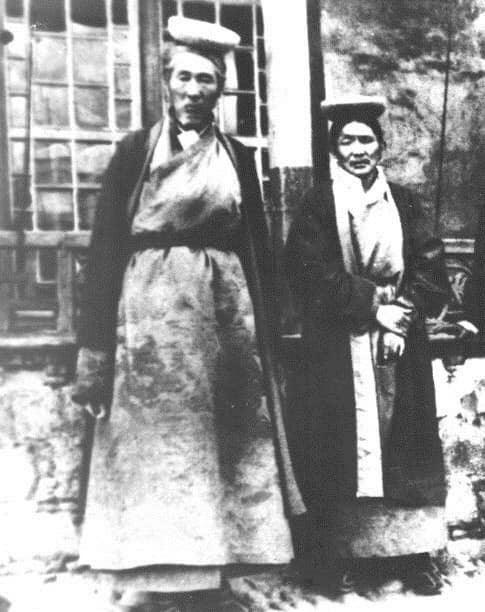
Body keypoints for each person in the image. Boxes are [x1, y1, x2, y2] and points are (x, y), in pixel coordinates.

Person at [72, 17, 303, 612]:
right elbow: (104, 247)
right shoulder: (134, 152)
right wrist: (94, 343)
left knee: (222, 444)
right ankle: (157, 580)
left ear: (220, 89)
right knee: (156, 446)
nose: (194, 90)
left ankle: (211, 577)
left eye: (206, 80)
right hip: (148, 323)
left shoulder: (236, 157)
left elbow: (258, 246)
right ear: (167, 83)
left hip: (223, 319)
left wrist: (270, 334)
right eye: (184, 77)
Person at [285, 96, 450, 596]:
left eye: (366, 140)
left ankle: (413, 553)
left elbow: (429, 266)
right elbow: (309, 272)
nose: (358, 150)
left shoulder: (406, 202)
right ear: (334, 149)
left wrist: (400, 318)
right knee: (337, 445)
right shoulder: (318, 204)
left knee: (405, 443)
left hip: (400, 341)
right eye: (347, 141)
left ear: (381, 146)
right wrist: (371, 309)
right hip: (337, 341)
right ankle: (337, 556)